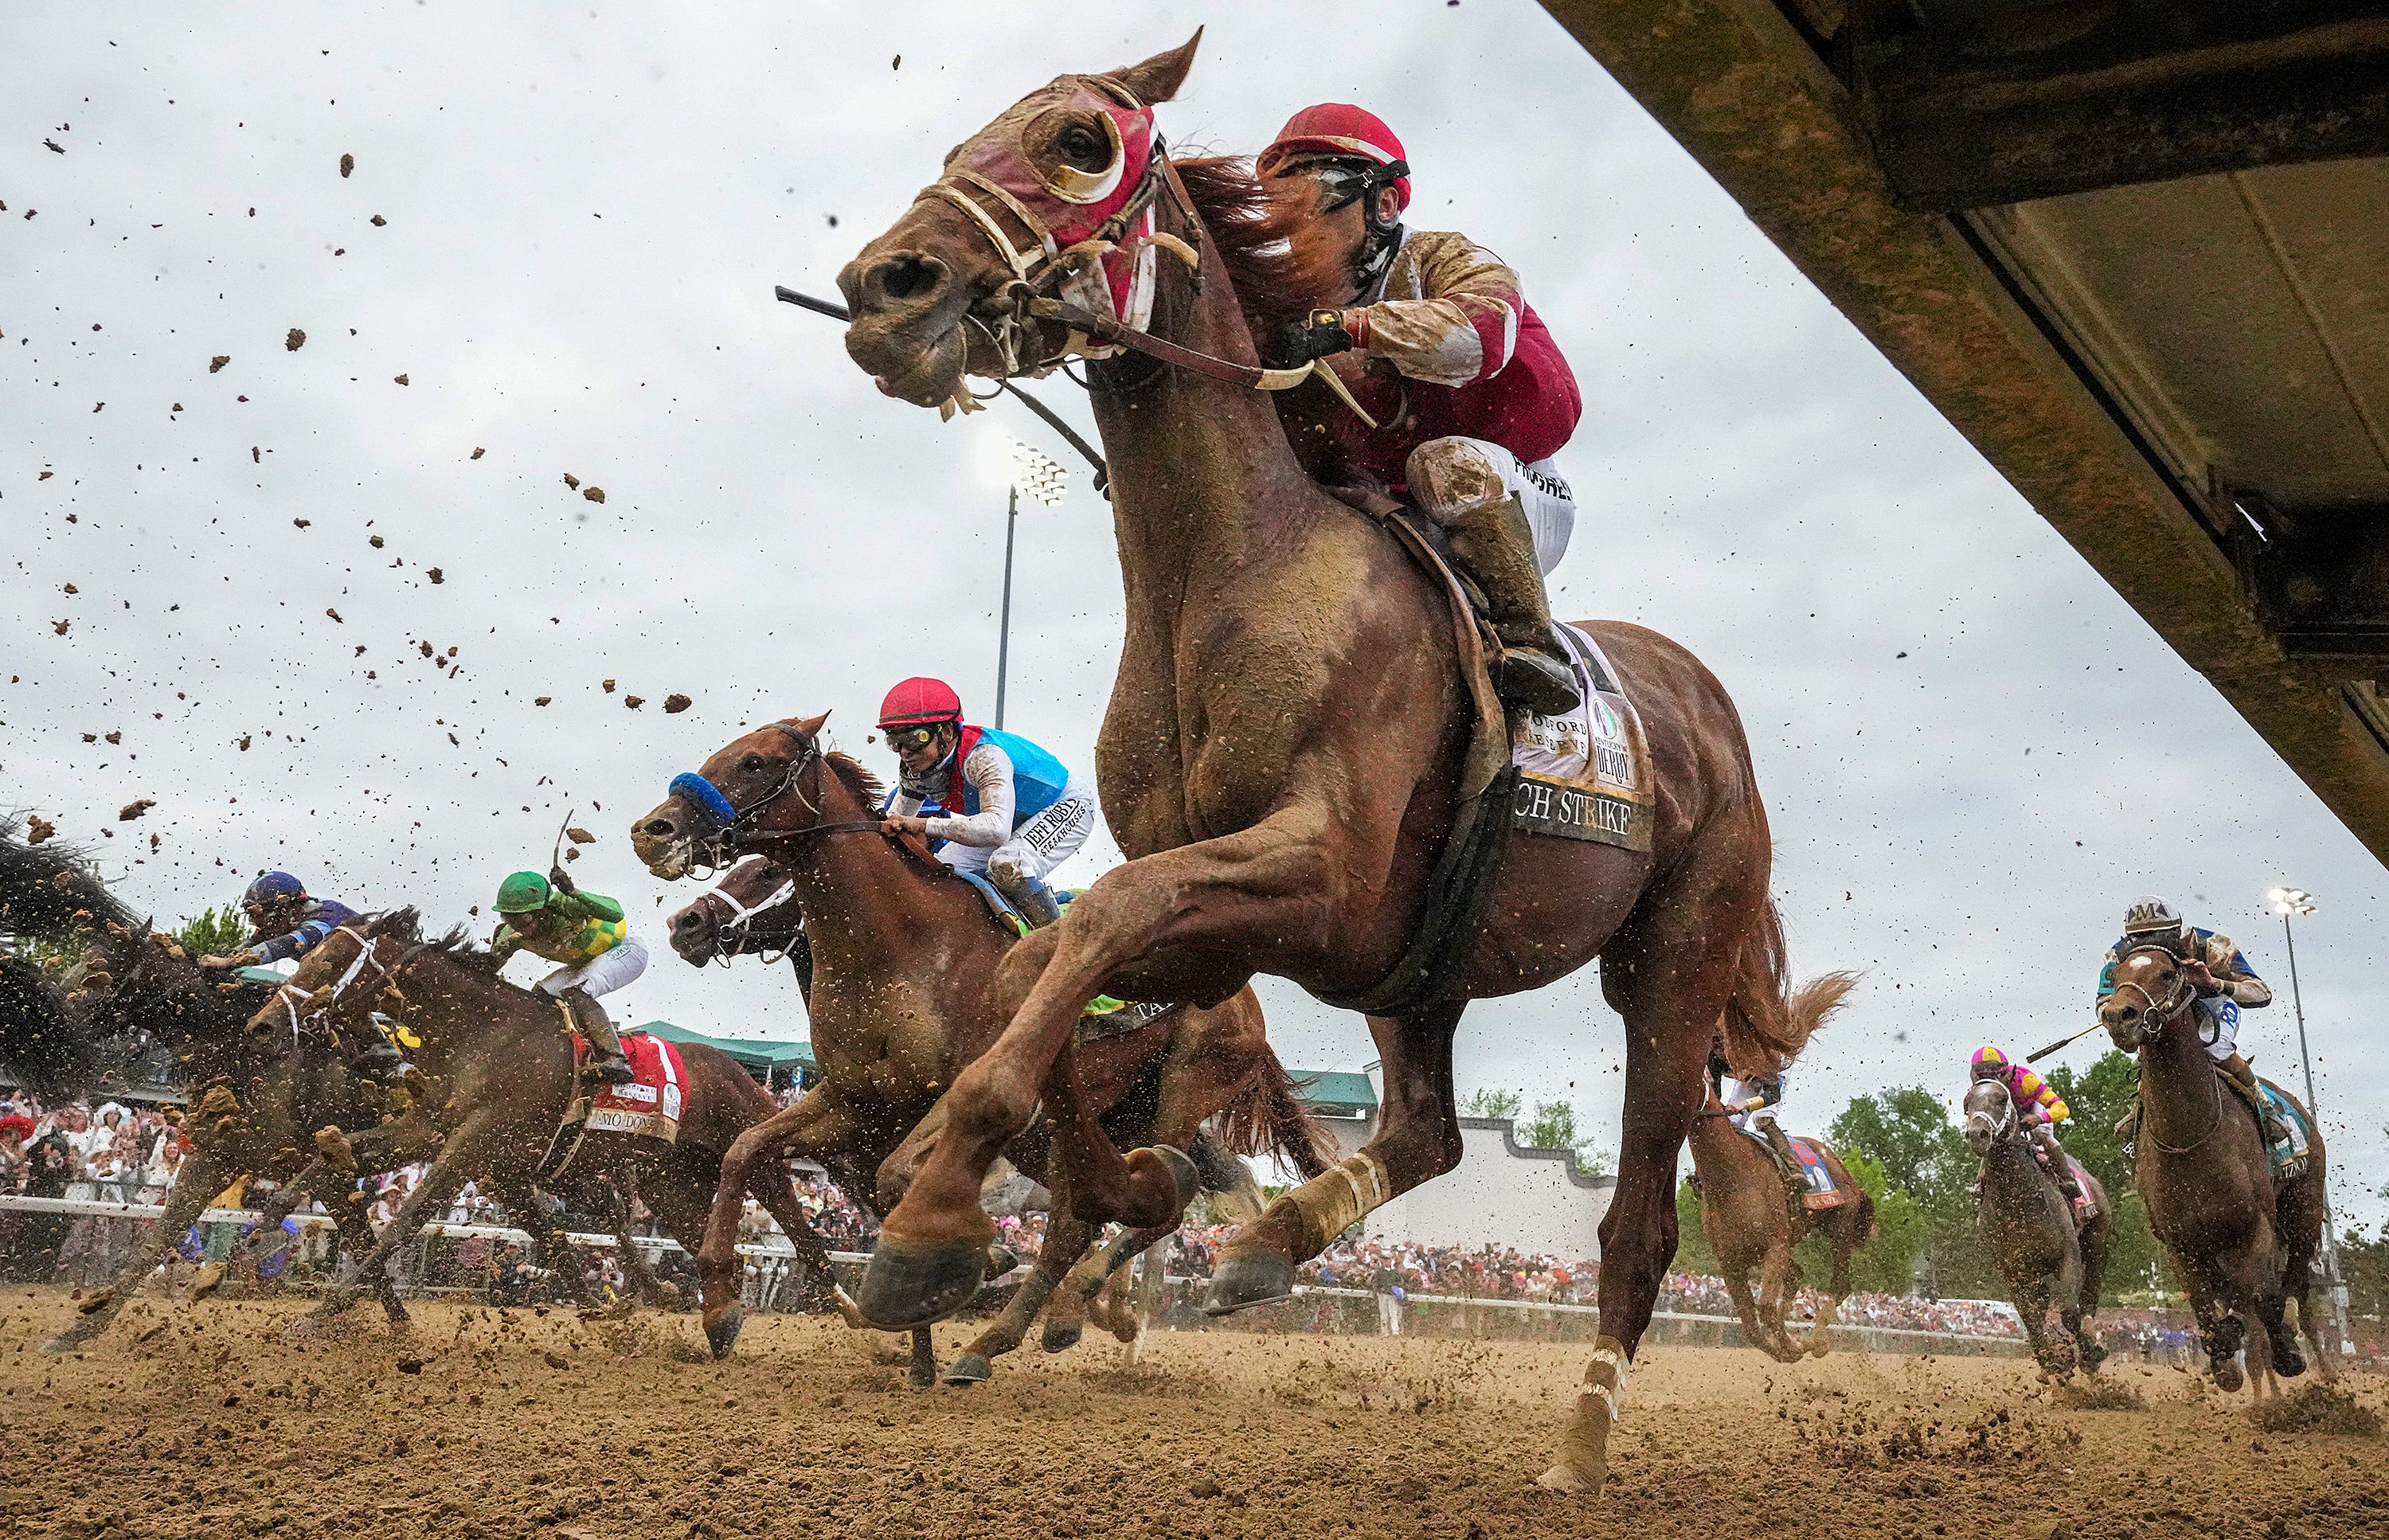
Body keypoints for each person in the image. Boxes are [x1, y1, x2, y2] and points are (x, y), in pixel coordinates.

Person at [1260, 104, 1585, 717]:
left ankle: (1530, 642)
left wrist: (1349, 327)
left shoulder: (1444, 257)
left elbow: (1483, 335)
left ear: (1383, 204)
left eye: (1315, 190)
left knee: (1447, 462)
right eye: (1277, 197)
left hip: (1511, 487)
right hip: (1384, 498)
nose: (1290, 220)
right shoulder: (1288, 303)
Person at [874, 678, 1097, 929]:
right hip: (1008, 817)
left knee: (1008, 865)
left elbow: (996, 829)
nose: (905, 752)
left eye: (915, 738)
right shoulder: (914, 770)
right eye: (895, 741)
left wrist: (923, 824)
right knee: (939, 876)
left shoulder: (983, 757)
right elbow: (893, 826)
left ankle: (1056, 944)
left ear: (946, 732)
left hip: (1064, 804)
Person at [2104, 896, 2288, 1146]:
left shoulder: (2210, 944)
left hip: (2213, 1004)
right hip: (2162, 1012)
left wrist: (2214, 983)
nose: (2148, 946)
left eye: (2158, 936)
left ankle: (2265, 1108)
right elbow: (2104, 1001)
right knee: (2151, 1048)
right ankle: (2139, 1109)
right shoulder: (2119, 956)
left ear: (2177, 933)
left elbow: (2261, 992)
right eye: (2139, 939)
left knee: (2214, 1045)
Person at [489, 866, 645, 1085]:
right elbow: (489, 968)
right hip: (586, 962)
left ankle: (616, 1060)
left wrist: (574, 891)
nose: (519, 929)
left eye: (524, 921)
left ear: (543, 910)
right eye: (509, 919)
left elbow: (616, 912)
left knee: (576, 993)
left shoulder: (565, 904)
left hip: (625, 950)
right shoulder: (511, 934)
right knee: (540, 995)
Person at [1968, 1046, 2083, 1202]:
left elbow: (2061, 1108)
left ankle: (2068, 1179)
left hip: (2030, 1111)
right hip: (2003, 1119)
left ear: (2006, 1072)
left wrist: (2040, 1118)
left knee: (2042, 1134)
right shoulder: (1978, 1091)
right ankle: (1980, 1181)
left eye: (1996, 1076)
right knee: (1991, 1137)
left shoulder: (2025, 1079)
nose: (1992, 1081)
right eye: (1985, 1077)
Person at [201, 871, 361, 971]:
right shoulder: (284, 921)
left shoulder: (326, 916)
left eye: (267, 917)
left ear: (290, 908)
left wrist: (230, 962)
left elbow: (288, 944)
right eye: (255, 917)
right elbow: (249, 945)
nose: (262, 925)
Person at [1707, 1043, 1806, 1206]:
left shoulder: (1761, 1055)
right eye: (1716, 1048)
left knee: (1762, 1118)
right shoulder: (1713, 1058)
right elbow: (1715, 1095)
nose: (1720, 1053)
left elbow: (1773, 1096)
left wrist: (1746, 1104)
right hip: (1747, 1077)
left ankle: (1794, 1169)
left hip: (1772, 1075)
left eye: (1723, 1048)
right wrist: (1722, 1108)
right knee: (1730, 1123)